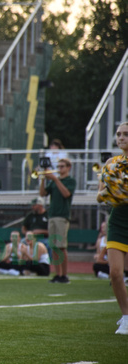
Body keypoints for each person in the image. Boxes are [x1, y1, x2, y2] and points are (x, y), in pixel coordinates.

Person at [97, 121, 128, 334]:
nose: (121, 138)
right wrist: (113, 192)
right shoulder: (111, 163)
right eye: (118, 134)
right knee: (115, 273)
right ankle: (126, 316)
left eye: (126, 134)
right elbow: (99, 195)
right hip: (118, 220)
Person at [40, 158, 76, 284]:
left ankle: (64, 275)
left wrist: (55, 179)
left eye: (62, 166)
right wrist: (44, 178)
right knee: (54, 246)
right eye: (58, 166)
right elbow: (42, 193)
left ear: (68, 168)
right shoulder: (54, 182)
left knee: (61, 246)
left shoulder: (70, 181)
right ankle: (57, 274)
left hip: (62, 216)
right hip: (52, 215)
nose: (59, 169)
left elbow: (66, 194)